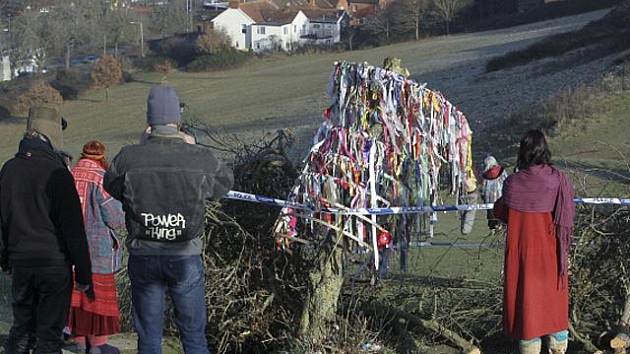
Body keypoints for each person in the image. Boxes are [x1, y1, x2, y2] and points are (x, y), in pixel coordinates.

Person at [104, 85, 234, 354]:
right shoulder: (198, 157)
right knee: (194, 337)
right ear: (177, 119)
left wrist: (142, 147)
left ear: (149, 120)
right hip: (185, 255)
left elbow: (112, 185)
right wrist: (193, 148)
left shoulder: (129, 157)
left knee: (149, 339)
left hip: (144, 254)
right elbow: (223, 185)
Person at [0, 106, 93, 354]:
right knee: (49, 337)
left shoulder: (9, 170)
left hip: (21, 261)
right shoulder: (57, 173)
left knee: (21, 330)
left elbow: (2, 219)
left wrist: (5, 260)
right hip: (53, 262)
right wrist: (84, 273)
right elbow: (73, 227)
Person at [493, 130, 575, 354]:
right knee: (554, 310)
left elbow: (500, 212)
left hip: (523, 260)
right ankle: (558, 348)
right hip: (552, 257)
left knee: (528, 313)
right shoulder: (558, 180)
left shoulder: (512, 184)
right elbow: (567, 216)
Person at [67, 141, 125, 354]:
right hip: (97, 252)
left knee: (76, 300)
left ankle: (80, 343)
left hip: (70, 250)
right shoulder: (102, 179)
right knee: (96, 302)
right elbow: (116, 219)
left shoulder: (68, 176)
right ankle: (98, 346)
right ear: (101, 157)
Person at [480, 156, 509, 230]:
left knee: (492, 215)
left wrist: (483, 196)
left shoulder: (485, 175)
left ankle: (494, 226)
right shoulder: (502, 171)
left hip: (490, 199)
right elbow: (507, 182)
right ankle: (501, 226)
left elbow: (483, 189)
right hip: (501, 198)